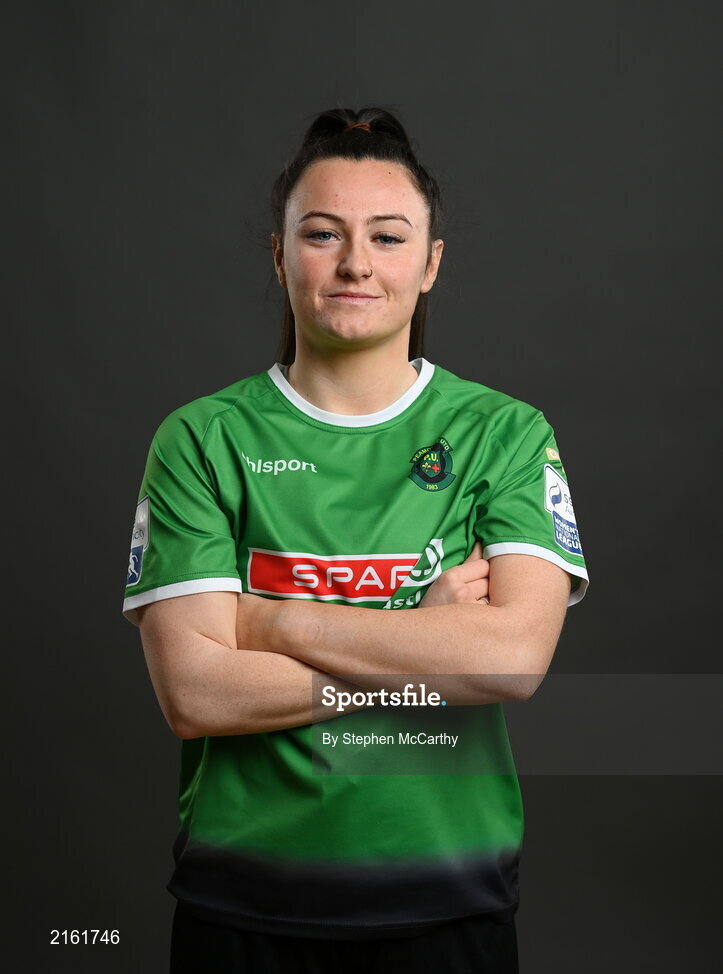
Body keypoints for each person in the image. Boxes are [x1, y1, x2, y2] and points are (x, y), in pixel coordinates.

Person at [122, 106, 589, 973]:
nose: (354, 264)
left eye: (386, 235)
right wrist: (425, 651)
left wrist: (271, 622)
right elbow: (196, 694)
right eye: (322, 233)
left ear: (430, 263)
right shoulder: (199, 440)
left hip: (449, 899)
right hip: (242, 900)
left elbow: (512, 659)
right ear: (278, 253)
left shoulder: (505, 434)